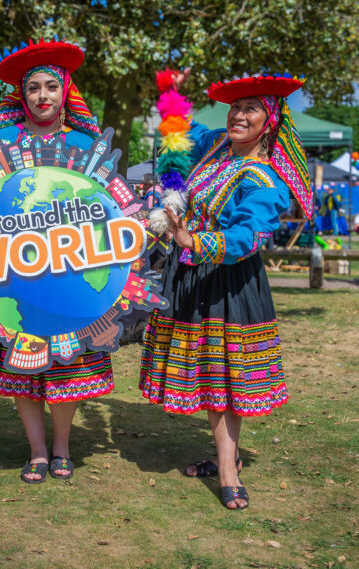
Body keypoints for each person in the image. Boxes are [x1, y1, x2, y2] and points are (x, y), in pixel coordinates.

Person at [141, 71, 312, 510]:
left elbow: (249, 237)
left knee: (224, 379)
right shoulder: (217, 145)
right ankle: (225, 458)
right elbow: (180, 133)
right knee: (212, 376)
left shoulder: (264, 177)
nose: (238, 115)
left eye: (250, 109)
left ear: (269, 120)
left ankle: (229, 470)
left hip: (228, 284)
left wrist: (191, 241)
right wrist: (171, 93)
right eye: (235, 107)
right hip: (191, 276)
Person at [0, 39, 109, 484]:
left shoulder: (85, 143)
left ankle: (61, 448)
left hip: (70, 270)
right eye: (33, 87)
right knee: (21, 360)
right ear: (22, 94)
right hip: (11, 276)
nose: (42, 96)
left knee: (68, 361)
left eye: (51, 87)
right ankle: (37, 451)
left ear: (65, 90)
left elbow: (104, 210)